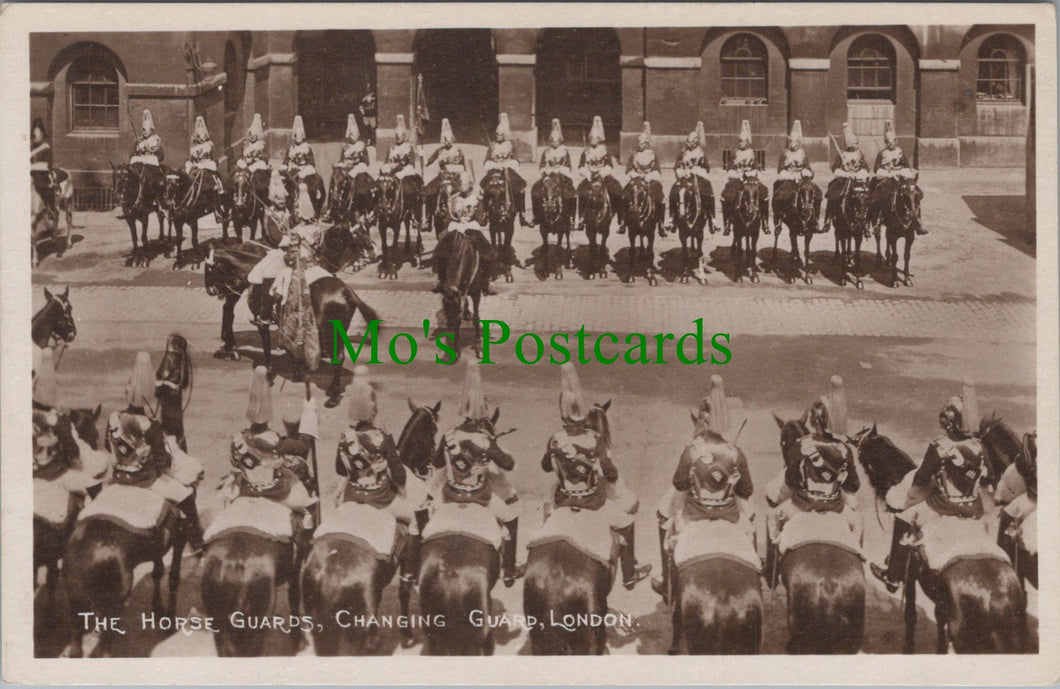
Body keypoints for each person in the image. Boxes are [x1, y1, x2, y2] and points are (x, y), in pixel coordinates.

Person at [870, 382, 991, 592]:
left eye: (945, 419)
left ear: (951, 424)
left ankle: (894, 576)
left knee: (904, 518)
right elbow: (988, 475)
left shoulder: (940, 446)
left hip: (942, 506)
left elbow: (920, 481)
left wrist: (908, 501)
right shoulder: (979, 446)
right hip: (973, 507)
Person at [542, 363, 652, 590]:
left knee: (547, 512)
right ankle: (629, 574)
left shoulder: (555, 438)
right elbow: (610, 473)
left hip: (563, 501)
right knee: (627, 521)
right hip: (592, 504)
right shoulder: (594, 438)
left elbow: (545, 466)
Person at [652, 376, 753, 602]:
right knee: (751, 522)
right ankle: (758, 568)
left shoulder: (692, 450)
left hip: (694, 516)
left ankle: (668, 582)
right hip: (729, 516)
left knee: (663, 515)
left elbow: (679, 483)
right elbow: (746, 491)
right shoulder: (735, 451)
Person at [430, 359, 523, 586]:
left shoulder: (449, 434)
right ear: (483, 411)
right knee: (511, 516)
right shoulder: (485, 438)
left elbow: (435, 462)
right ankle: (509, 571)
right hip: (480, 498)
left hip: (450, 496)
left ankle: (411, 569)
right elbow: (508, 464)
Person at [334, 367, 422, 594]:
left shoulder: (346, 436)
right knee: (414, 519)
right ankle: (409, 574)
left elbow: (339, 468)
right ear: (373, 409)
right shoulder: (382, 437)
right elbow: (399, 475)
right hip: (381, 499)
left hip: (352, 497)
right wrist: (399, 485)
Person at [105, 352, 204, 554]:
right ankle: (197, 545)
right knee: (185, 496)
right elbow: (162, 463)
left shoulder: (113, 418)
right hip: (145, 481)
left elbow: (109, 448)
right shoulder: (151, 425)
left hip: (117, 477)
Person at [765, 376, 861, 580]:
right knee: (859, 524)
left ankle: (771, 573)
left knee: (771, 517)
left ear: (814, 420)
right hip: (836, 508)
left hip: (802, 506)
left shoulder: (802, 444)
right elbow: (853, 485)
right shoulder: (844, 448)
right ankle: (858, 568)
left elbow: (791, 480)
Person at [432, 169, 498, 296]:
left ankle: (486, 281)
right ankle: (441, 279)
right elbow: (448, 217)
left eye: (464, 183)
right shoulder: (453, 200)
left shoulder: (476, 200)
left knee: (489, 252)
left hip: (471, 229)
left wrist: (471, 223)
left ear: (470, 185)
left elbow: (481, 220)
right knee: (440, 250)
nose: (461, 185)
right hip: (456, 227)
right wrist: (455, 223)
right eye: (460, 183)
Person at [246, 170, 291, 327]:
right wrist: (293, 238)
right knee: (266, 274)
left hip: (291, 249)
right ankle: (266, 314)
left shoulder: (287, 212)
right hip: (277, 251)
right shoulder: (269, 216)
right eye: (278, 198)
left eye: (284, 198)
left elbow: (297, 224)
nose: (281, 201)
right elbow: (276, 238)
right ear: (273, 199)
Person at [871, 120, 927, 235]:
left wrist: (900, 173)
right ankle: (878, 221)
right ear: (885, 142)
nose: (890, 144)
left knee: (914, 193)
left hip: (901, 177)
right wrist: (889, 173)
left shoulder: (900, 152)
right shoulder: (882, 153)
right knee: (880, 196)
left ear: (895, 141)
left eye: (892, 141)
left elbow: (907, 166)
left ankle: (918, 221)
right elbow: (876, 169)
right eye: (887, 142)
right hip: (887, 178)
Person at [720, 120, 769, 236]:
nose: (740, 143)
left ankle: (765, 222)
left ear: (747, 142)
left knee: (764, 192)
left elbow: (757, 167)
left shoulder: (752, 153)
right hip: (737, 179)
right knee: (727, 195)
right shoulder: (734, 153)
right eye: (739, 141)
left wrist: (752, 173)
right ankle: (727, 223)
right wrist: (737, 174)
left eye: (742, 141)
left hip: (751, 178)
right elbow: (730, 168)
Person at [824, 122, 871, 236]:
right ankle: (828, 220)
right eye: (853, 142)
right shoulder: (842, 154)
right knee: (832, 194)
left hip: (858, 179)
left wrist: (860, 173)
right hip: (844, 180)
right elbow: (835, 167)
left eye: (856, 142)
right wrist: (845, 173)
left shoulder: (859, 154)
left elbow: (865, 167)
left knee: (868, 197)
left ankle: (867, 223)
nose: (856, 144)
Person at [773, 120, 821, 234]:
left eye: (795, 141)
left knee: (817, 193)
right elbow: (780, 169)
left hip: (802, 178)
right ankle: (779, 219)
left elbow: (808, 167)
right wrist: (789, 175)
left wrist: (805, 172)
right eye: (791, 141)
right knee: (780, 195)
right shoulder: (785, 153)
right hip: (789, 178)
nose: (792, 143)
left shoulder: (803, 153)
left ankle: (816, 220)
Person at [576, 115, 624, 230]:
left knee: (617, 192)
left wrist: (602, 173)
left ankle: (621, 219)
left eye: (595, 138)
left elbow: (609, 165)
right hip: (590, 176)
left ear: (599, 139)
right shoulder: (586, 151)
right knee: (581, 192)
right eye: (591, 138)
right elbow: (581, 166)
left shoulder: (605, 150)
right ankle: (581, 218)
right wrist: (586, 173)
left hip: (603, 176)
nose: (593, 140)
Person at [482, 113, 529, 227]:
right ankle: (484, 213)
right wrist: (493, 164)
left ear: (505, 134)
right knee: (484, 187)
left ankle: (522, 214)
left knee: (520, 188)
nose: (499, 136)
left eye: (501, 134)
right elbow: (486, 160)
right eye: (497, 134)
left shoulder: (511, 145)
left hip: (507, 169)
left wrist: (508, 164)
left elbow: (516, 159)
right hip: (495, 169)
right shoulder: (492, 145)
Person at [531, 118, 577, 226]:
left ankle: (571, 217)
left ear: (560, 140)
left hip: (561, 174)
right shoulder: (546, 151)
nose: (554, 142)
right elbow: (542, 165)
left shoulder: (564, 151)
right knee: (536, 190)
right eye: (552, 140)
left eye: (556, 140)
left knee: (570, 194)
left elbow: (568, 165)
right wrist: (545, 173)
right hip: (549, 174)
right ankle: (536, 216)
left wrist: (561, 171)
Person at [622, 121, 666, 234]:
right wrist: (634, 174)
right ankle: (623, 221)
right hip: (636, 178)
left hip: (649, 179)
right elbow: (628, 169)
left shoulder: (652, 154)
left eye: (641, 143)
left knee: (660, 196)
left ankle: (661, 223)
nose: (639, 145)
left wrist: (649, 176)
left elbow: (657, 170)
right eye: (639, 143)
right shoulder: (634, 155)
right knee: (625, 195)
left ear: (646, 144)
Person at [670, 121, 714, 229]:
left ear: (696, 142)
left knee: (708, 193)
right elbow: (676, 166)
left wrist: (698, 170)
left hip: (698, 178)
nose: (689, 144)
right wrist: (682, 171)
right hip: (685, 177)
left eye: (691, 141)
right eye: (688, 141)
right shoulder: (683, 153)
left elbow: (707, 168)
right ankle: (672, 218)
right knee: (674, 191)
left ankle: (712, 219)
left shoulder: (701, 153)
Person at [184, 115, 227, 223]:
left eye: (202, 137)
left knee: (213, 184)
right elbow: (190, 158)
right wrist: (190, 163)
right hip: (196, 166)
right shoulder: (193, 147)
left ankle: (217, 210)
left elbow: (215, 158)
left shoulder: (209, 145)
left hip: (208, 166)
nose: (201, 139)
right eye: (198, 137)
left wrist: (212, 163)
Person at [424, 118, 468, 220]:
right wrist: (422, 155)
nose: (447, 141)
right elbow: (428, 162)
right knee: (428, 191)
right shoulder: (440, 151)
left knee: (464, 191)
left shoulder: (458, 151)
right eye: (445, 139)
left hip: (456, 176)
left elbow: (463, 167)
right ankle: (428, 218)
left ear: (452, 139)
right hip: (443, 176)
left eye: (449, 139)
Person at [281, 116, 324, 223]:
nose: (297, 137)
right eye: (295, 135)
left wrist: (303, 172)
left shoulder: (307, 147)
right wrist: (284, 167)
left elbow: (311, 163)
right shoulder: (290, 148)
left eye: (299, 135)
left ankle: (312, 210)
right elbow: (286, 161)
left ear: (302, 136)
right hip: (292, 172)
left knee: (311, 187)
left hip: (305, 172)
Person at [154, 332, 191, 451]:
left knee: (168, 433)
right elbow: (183, 382)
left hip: (168, 405)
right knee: (177, 434)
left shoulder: (170, 358)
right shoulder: (182, 360)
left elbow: (160, 376)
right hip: (175, 406)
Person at [382, 114, 423, 211]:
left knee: (406, 183)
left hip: (405, 168)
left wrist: (398, 167)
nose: (399, 137)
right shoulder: (392, 147)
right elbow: (387, 160)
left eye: (401, 135)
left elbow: (408, 161)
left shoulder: (408, 146)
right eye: (397, 136)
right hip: (393, 168)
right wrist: (387, 167)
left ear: (404, 136)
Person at [31, 118, 66, 227]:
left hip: (42, 175)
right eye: (35, 134)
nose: (37, 136)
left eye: (39, 133)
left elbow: (46, 165)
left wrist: (31, 166)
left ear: (42, 134)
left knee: (43, 187)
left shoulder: (46, 148)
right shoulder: (30, 148)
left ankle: (50, 209)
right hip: (30, 174)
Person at [129, 109, 166, 202]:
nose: (145, 132)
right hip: (139, 164)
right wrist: (138, 150)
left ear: (151, 130)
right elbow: (132, 155)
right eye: (143, 129)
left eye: (147, 130)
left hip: (151, 166)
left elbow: (161, 156)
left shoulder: (156, 140)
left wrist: (150, 152)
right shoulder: (138, 140)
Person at [236, 113, 270, 199]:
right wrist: (241, 162)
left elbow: (265, 158)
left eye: (254, 135)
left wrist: (255, 165)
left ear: (257, 135)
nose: (252, 137)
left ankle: (260, 199)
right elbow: (241, 156)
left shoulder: (261, 145)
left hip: (257, 168)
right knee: (235, 178)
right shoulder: (245, 144)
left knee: (259, 183)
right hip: (245, 166)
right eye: (250, 134)